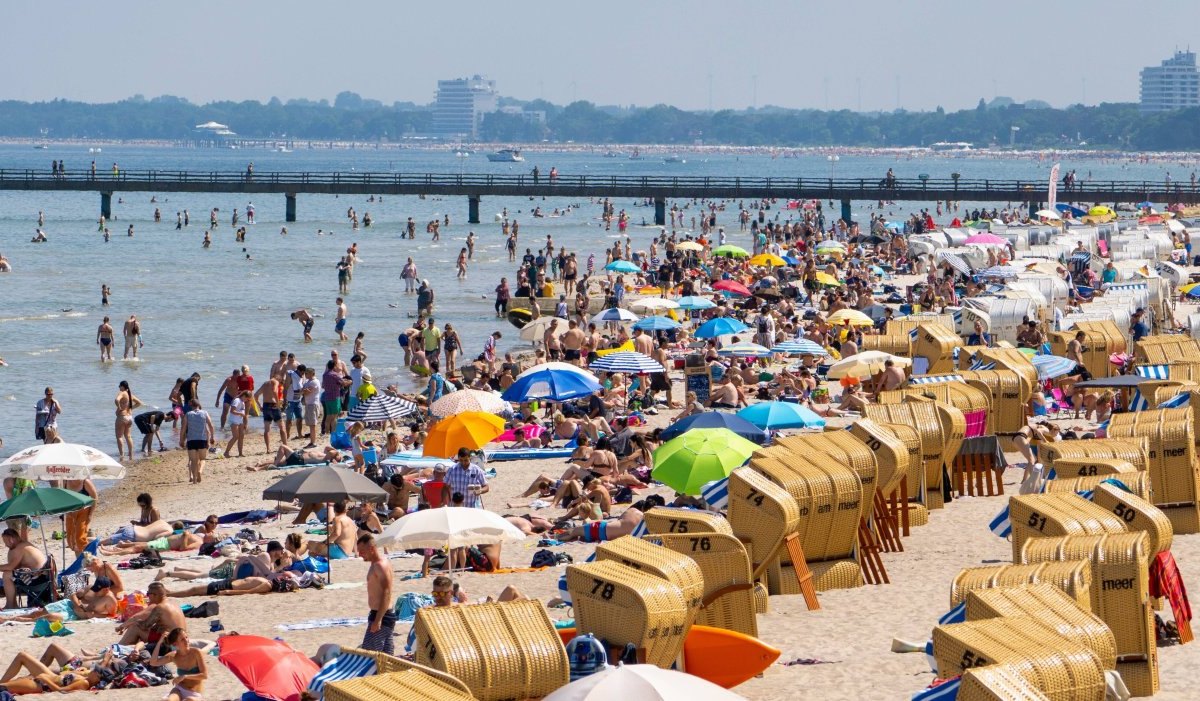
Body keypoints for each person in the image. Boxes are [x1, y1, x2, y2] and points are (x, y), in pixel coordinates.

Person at [1, 576, 116, 623]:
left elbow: (111, 616)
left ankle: (16, 619)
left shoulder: (109, 600)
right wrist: (77, 605)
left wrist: (94, 614)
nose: (95, 591)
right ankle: (9, 618)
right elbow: (73, 594)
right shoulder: (91, 587)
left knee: (49, 617)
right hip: (70, 605)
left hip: (75, 615)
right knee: (39, 612)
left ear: (106, 589)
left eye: (98, 590)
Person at [115, 581, 187, 646]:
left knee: (135, 627)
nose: (147, 596)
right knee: (148, 629)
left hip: (170, 641)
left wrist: (131, 623)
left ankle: (119, 647)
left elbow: (144, 626)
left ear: (154, 595)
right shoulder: (174, 604)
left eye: (148, 594)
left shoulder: (160, 607)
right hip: (182, 638)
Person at [357, 534, 396, 654]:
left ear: (372, 549)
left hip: (381, 615)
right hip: (383, 614)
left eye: (362, 551)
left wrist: (377, 620)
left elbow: (387, 592)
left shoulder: (380, 565)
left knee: (371, 656)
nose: (359, 554)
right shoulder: (378, 563)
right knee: (386, 656)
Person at [149, 627, 208, 701]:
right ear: (175, 643)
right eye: (182, 639)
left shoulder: (196, 652)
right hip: (180, 689)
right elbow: (153, 662)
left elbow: (204, 675)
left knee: (189, 700)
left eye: (186, 637)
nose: (186, 641)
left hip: (194, 693)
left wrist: (184, 676)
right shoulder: (174, 655)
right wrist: (159, 642)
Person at [1, 527, 49, 609]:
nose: (5, 545)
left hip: (38, 580)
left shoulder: (20, 548)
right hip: (45, 578)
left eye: (5, 542)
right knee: (11, 573)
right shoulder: (25, 544)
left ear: (11, 539)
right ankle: (13, 604)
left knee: (7, 574)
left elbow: (11, 567)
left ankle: (11, 605)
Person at [179, 399, 215, 484]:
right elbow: (211, 426)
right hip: (202, 439)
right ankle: (200, 471)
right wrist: (212, 437)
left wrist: (181, 440)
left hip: (191, 440)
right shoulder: (204, 413)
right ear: (199, 405)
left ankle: (194, 479)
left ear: (191, 406)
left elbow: (183, 428)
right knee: (202, 459)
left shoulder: (188, 414)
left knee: (193, 460)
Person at [114, 380, 142, 461]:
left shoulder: (122, 393)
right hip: (129, 417)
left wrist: (119, 408)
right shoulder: (130, 395)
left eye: (120, 386)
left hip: (122, 417)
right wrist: (130, 408)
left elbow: (116, 400)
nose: (119, 387)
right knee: (128, 436)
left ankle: (122, 455)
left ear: (123, 386)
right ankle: (130, 453)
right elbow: (139, 403)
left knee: (119, 436)